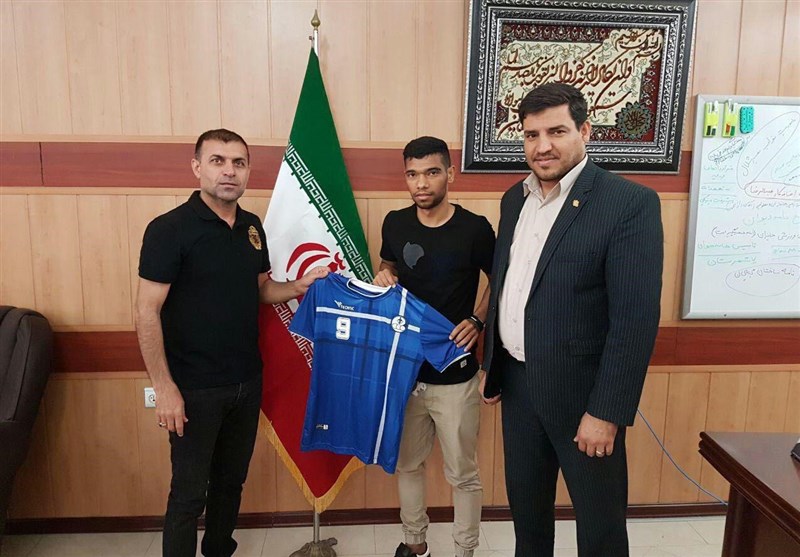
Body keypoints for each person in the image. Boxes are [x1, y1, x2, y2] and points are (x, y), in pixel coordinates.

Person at [480, 84, 663, 556]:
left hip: (585, 398)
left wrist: (607, 412)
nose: (542, 146)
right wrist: (492, 364)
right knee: (528, 522)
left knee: (600, 530)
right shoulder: (514, 199)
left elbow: (635, 320)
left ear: (584, 130)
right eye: (531, 135)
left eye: (557, 131)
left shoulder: (628, 203)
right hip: (518, 387)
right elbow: (507, 284)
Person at [135, 129, 327, 557]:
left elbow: (261, 290)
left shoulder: (251, 227)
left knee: (229, 484)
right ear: (197, 167)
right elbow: (146, 312)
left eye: (238, 163)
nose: (229, 171)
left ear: (247, 171)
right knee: (188, 495)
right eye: (218, 161)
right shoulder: (169, 229)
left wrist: (299, 286)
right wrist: (164, 388)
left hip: (246, 381)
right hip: (193, 388)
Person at [374, 136, 496, 557]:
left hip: (455, 375)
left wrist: (478, 320)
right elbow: (389, 264)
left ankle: (465, 550)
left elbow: (499, 280)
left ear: (449, 174)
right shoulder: (395, 222)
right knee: (407, 465)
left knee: (462, 473)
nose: (421, 183)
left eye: (431, 172)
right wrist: (384, 275)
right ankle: (415, 544)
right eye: (412, 174)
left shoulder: (475, 228)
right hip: (405, 371)